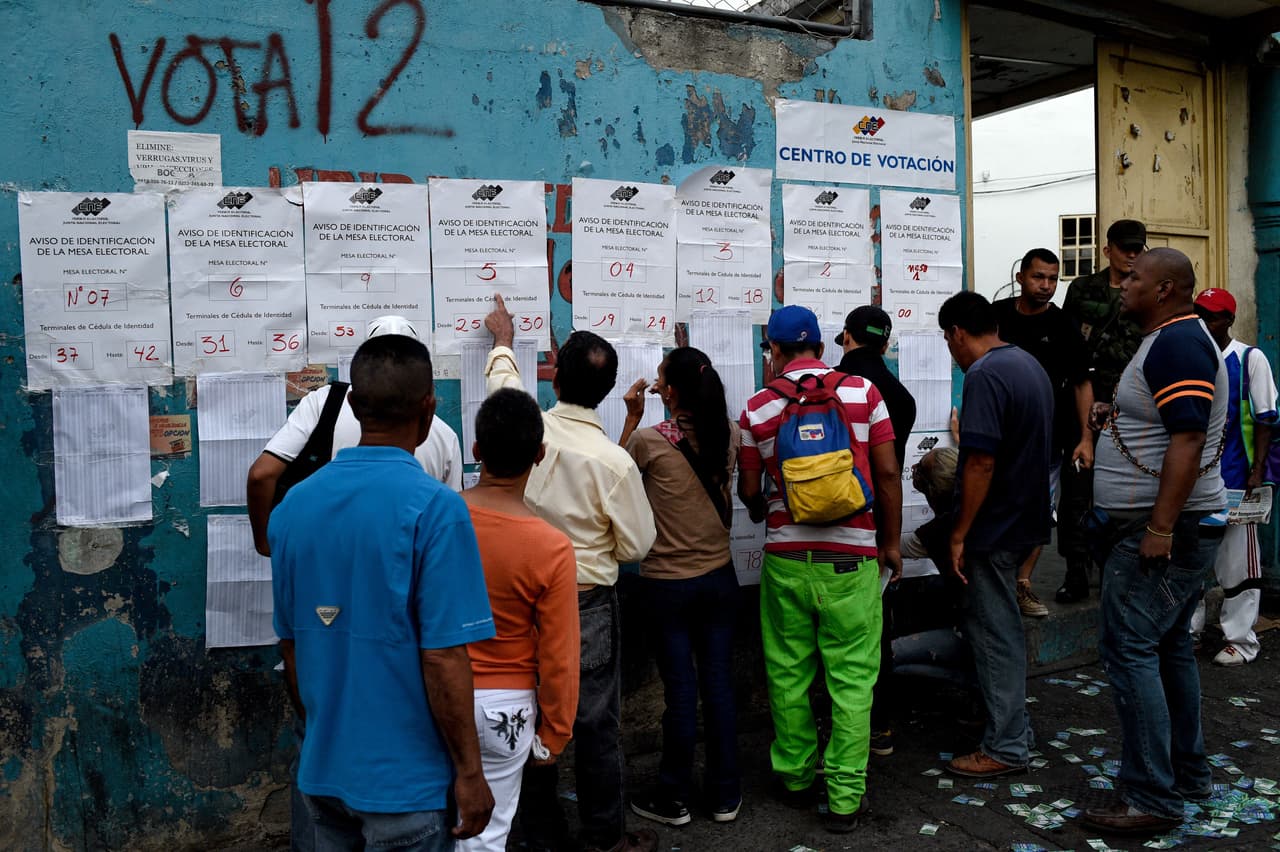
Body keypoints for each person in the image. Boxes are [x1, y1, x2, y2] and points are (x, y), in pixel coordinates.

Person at [269, 333, 496, 851]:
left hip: (321, 772)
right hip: (406, 782)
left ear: (352, 403)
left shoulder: (293, 509)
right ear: (429, 407)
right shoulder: (437, 508)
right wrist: (469, 771)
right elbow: (443, 657)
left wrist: (324, 731)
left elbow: (291, 645)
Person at [482, 295, 658, 852]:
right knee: (594, 725)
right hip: (586, 603)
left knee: (528, 719)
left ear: (554, 377)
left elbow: (503, 388)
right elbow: (637, 544)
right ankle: (605, 837)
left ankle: (542, 834)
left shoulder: (526, 428)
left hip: (516, 598)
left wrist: (504, 340)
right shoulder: (613, 460)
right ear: (607, 395)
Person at [737, 305, 903, 834]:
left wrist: (769, 505)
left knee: (788, 673)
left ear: (775, 350)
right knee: (852, 681)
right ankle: (845, 798)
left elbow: (747, 491)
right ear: (822, 348)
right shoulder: (863, 393)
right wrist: (891, 542)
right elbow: (889, 473)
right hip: (852, 560)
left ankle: (795, 778)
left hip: (787, 561)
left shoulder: (758, 408)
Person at [1083, 248, 1229, 835]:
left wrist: (1160, 528)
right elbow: (1164, 424)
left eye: (1132, 278)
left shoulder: (1178, 342)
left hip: (1164, 531)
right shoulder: (1165, 339)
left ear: (1165, 288)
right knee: (1167, 649)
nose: (1121, 285)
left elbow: (1188, 438)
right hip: (1161, 526)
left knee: (1131, 650)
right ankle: (1185, 776)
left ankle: (1151, 796)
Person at [617, 347, 743, 828]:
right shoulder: (729, 432)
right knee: (718, 686)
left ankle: (673, 797)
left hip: (667, 586)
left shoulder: (650, 441)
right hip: (720, 579)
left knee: (681, 691)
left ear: (668, 392)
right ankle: (725, 794)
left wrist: (631, 417)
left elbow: (616, 477)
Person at [459, 388, 581, 852]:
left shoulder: (435, 519)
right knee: (488, 834)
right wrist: (554, 734)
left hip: (432, 692)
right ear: (540, 455)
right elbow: (560, 653)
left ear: (476, 452)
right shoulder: (550, 546)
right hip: (504, 709)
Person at [938, 291, 1053, 780]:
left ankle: (1006, 745)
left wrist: (960, 531)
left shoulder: (985, 374)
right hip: (1025, 517)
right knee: (1000, 628)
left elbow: (981, 461)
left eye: (949, 339)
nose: (951, 349)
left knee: (995, 634)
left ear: (959, 333)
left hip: (995, 523)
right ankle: (1013, 732)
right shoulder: (1027, 364)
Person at [247, 315, 464, 557]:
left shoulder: (299, 506)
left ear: (354, 402)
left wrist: (265, 544)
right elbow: (448, 545)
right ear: (427, 408)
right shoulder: (446, 442)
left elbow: (261, 474)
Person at [993, 249, 1095, 618]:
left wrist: (1085, 438)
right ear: (1021, 277)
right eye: (1039, 277)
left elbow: (1083, 383)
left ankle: (1023, 583)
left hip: (1049, 440)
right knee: (998, 508)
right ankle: (995, 583)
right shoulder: (998, 316)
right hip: (1000, 435)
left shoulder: (1064, 325)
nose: (1046, 286)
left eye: (1053, 279)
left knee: (1038, 510)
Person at [834, 305, 916, 758]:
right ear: (885, 344)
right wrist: (891, 540)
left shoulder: (830, 388)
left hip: (818, 528)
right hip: (874, 528)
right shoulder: (900, 396)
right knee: (871, 633)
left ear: (844, 337)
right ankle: (877, 725)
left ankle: (830, 730)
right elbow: (890, 475)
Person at [1058, 220, 1148, 602]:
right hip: (1084, 400)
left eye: (1137, 248)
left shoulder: (1148, 291)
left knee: (1128, 493)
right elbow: (1066, 342)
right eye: (1125, 247)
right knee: (1077, 490)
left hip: (1133, 406)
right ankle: (1075, 569)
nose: (1131, 255)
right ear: (1107, 248)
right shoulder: (1083, 289)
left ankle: (1119, 567)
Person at [1189, 287, 1276, 665]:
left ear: (1228, 320)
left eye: (1212, 316)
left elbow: (1266, 417)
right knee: (1188, 560)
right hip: (1193, 480)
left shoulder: (1249, 359)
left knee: (1239, 563)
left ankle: (1240, 641)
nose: (1205, 323)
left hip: (1237, 479)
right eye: (1200, 315)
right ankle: (1187, 633)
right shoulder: (1192, 356)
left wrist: (1258, 471)